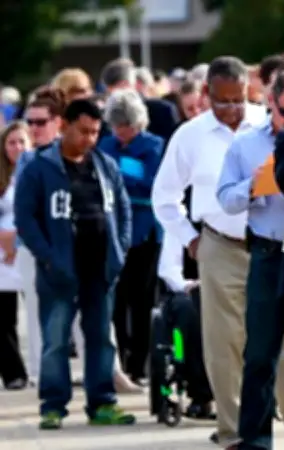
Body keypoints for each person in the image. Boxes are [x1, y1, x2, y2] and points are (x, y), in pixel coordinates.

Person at [151, 56, 267, 448]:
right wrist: (190, 239)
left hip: (270, 244)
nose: (233, 109)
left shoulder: (267, 124)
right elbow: (164, 197)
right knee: (224, 341)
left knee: (279, 338)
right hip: (218, 244)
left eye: (239, 99)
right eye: (223, 101)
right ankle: (234, 430)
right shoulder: (190, 135)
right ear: (206, 95)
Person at [14, 99, 134, 429]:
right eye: (83, 131)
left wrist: (120, 251)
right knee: (55, 340)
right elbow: (26, 219)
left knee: (100, 338)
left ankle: (102, 403)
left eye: (95, 132)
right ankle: (53, 405)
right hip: (59, 270)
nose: (89, 139)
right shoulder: (39, 167)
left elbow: (122, 211)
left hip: (101, 268)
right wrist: (50, 259)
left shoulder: (106, 165)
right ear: (64, 125)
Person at [216, 69, 284, 449]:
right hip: (269, 252)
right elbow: (224, 198)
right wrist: (254, 186)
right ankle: (255, 439)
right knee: (260, 351)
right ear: (270, 102)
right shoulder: (246, 144)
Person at [98, 88, 164, 384]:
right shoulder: (105, 144)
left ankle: (141, 364)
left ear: (137, 123)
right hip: (112, 232)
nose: (120, 132)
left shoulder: (154, 145)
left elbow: (152, 184)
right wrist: (129, 176)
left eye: (124, 126)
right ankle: (120, 361)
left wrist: (120, 176)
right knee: (117, 299)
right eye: (115, 126)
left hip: (145, 233)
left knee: (142, 301)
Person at [156, 230, 215, 419]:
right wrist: (189, 285)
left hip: (229, 286)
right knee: (189, 309)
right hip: (187, 291)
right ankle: (201, 393)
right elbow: (168, 269)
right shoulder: (179, 224)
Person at [0, 121, 31, 390]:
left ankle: (44, 372)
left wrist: (17, 236)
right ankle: (13, 373)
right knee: (4, 317)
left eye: (22, 142)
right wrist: (4, 238)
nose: (17, 147)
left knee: (37, 314)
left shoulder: (35, 171)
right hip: (2, 255)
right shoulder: (3, 176)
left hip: (29, 246)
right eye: (12, 142)